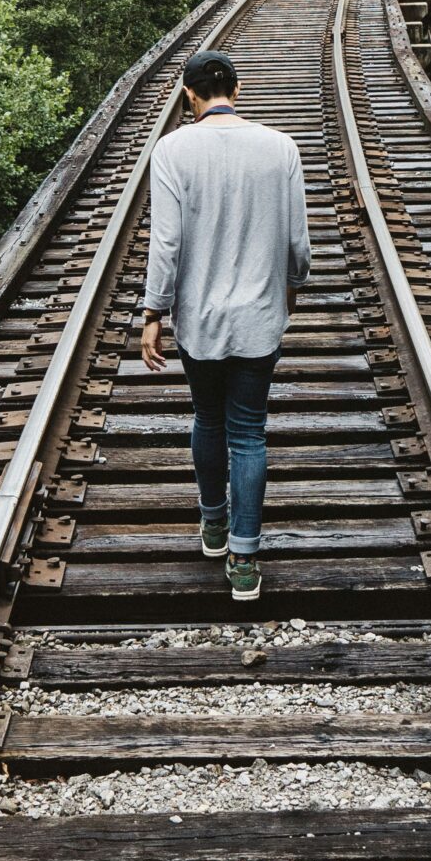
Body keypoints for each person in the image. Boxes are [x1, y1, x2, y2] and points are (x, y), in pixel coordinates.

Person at [137, 49, 311, 602]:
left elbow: (166, 243)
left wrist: (153, 314)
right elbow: (297, 244)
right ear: (237, 89)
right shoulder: (280, 147)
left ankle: (213, 525)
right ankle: (244, 558)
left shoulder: (171, 151)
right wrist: (291, 286)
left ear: (189, 94)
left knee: (207, 417)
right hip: (260, 319)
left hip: (200, 321)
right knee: (249, 431)